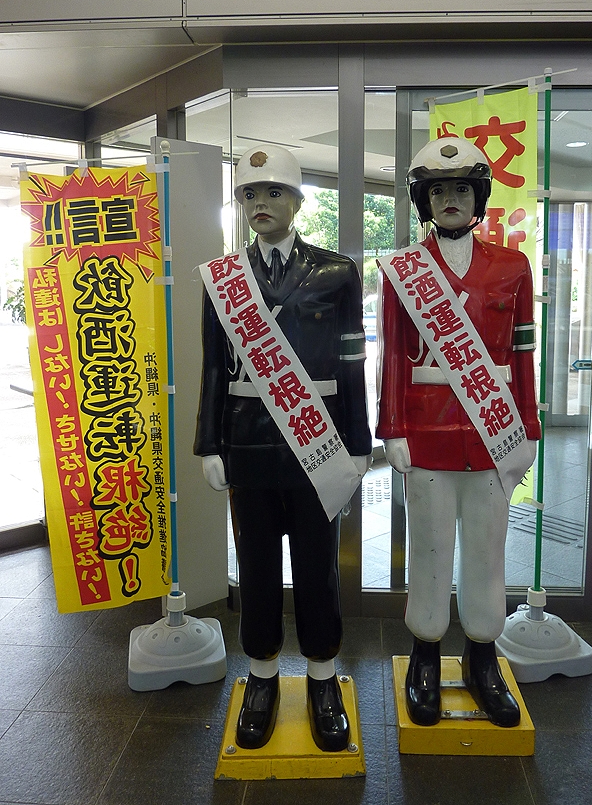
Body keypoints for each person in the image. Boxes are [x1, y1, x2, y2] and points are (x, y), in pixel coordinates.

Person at [194, 144, 372, 751]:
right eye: (249, 194)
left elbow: (353, 361)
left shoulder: (337, 272)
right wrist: (209, 443)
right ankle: (262, 677)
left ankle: (323, 678)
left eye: (273, 192)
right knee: (257, 566)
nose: (260, 203)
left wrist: (358, 440)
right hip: (247, 444)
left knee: (319, 567)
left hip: (318, 443)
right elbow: (213, 367)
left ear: (297, 201)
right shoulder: (223, 279)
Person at [376, 137, 541, 728]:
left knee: (488, 551)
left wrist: (528, 423)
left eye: (462, 189)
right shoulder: (403, 271)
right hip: (426, 433)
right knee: (428, 548)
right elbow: (392, 353)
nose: (450, 199)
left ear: (479, 197)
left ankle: (482, 657)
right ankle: (424, 655)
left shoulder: (513, 266)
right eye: (439, 189)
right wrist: (392, 428)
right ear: (424, 199)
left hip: (495, 433)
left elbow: (522, 352)